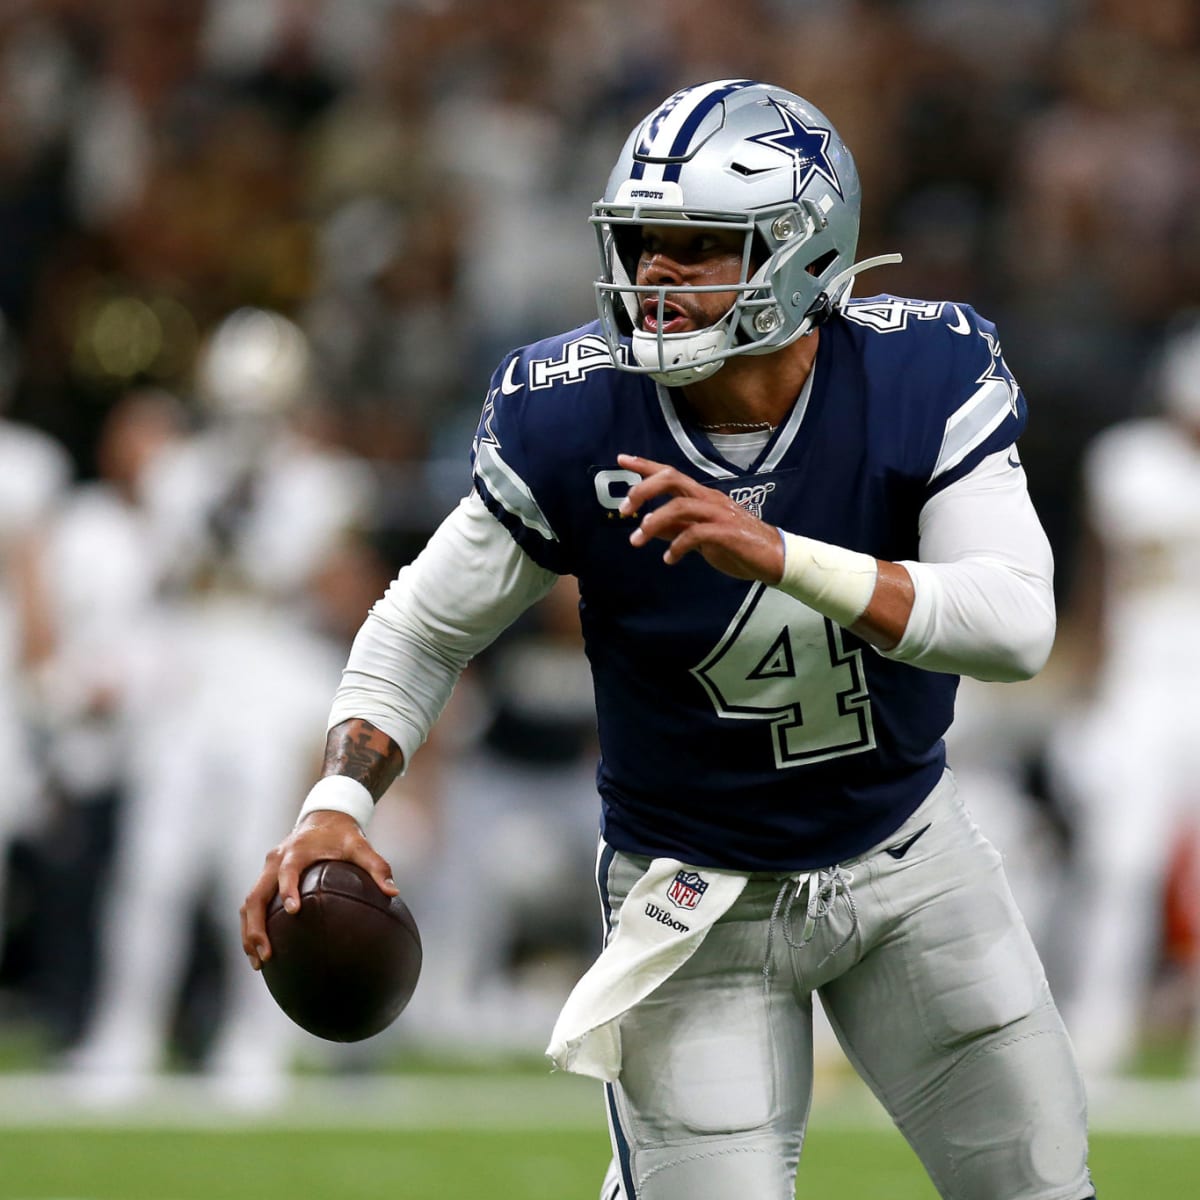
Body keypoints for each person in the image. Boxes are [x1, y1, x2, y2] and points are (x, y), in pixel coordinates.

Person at [242, 80, 1094, 1199]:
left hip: (905, 864)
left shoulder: (919, 374)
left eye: (698, 246)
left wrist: (778, 551)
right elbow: (419, 628)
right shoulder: (575, 411)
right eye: (642, 244)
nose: (654, 276)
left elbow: (1014, 624)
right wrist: (334, 808)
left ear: (804, 254)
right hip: (693, 897)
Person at [1048, 314, 1200, 1079]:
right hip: (1141, 685)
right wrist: (1086, 681)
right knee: (1120, 860)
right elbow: (1098, 579)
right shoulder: (1130, 461)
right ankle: (1098, 1031)